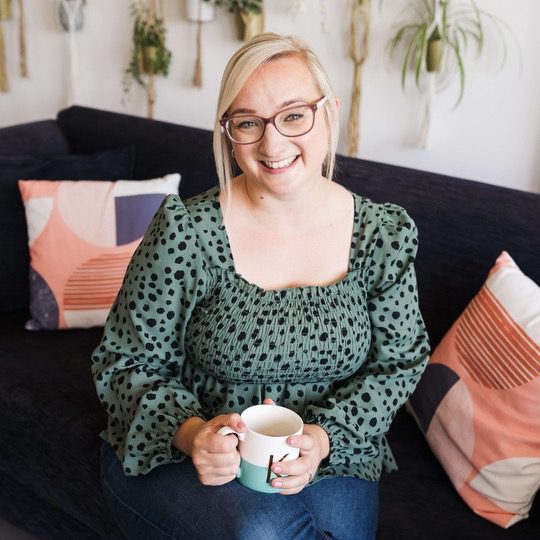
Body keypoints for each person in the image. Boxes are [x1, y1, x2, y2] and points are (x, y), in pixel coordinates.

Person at [92, 32, 430, 540]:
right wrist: (191, 436)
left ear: (330, 114)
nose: (272, 145)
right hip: (186, 450)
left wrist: (323, 438)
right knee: (266, 531)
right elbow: (123, 361)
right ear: (229, 132)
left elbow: (400, 361)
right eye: (248, 123)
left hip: (334, 449)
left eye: (294, 115)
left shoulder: (383, 235)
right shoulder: (187, 231)